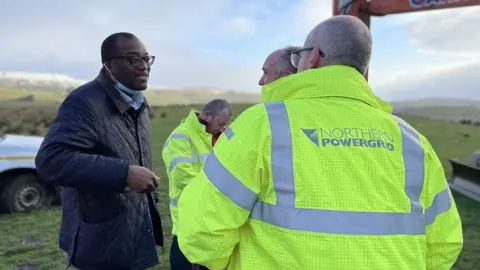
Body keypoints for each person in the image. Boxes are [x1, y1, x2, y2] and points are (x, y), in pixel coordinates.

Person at [176, 15, 463, 269]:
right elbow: (444, 243)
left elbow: (201, 231)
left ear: (312, 57)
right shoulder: (413, 142)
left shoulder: (262, 125)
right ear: (362, 73)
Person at [35, 32, 164, 270]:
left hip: (134, 230)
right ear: (109, 65)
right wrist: (124, 173)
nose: (144, 66)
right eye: (134, 59)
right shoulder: (85, 102)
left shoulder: (139, 103)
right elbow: (50, 160)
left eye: (147, 59)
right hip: (101, 238)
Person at [162, 99, 232, 270]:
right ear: (207, 115)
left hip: (213, 223)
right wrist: (218, 191)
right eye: (220, 123)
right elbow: (182, 177)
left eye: (225, 125)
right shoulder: (181, 136)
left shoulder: (219, 138)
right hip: (189, 222)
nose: (223, 128)